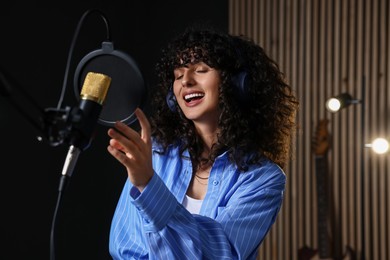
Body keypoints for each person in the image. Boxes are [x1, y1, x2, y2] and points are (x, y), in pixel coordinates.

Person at [106, 26, 299, 259]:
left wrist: (149, 186)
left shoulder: (263, 178)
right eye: (178, 75)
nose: (185, 81)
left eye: (200, 70)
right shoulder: (155, 154)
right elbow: (124, 247)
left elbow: (219, 253)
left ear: (236, 84)